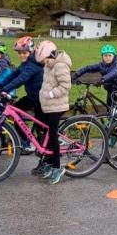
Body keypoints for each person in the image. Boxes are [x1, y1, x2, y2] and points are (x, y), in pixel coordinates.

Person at [0, 36, 45, 163]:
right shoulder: (25, 64)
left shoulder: (33, 65)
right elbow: (14, 75)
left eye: (24, 52)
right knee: (16, 112)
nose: (21, 55)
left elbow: (21, 80)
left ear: (30, 52)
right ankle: (26, 141)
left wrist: (5, 89)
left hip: (42, 99)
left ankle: (46, 150)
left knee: (42, 129)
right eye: (19, 53)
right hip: (32, 97)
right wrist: (0, 85)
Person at [36, 40, 72, 185]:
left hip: (57, 105)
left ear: (51, 55)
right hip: (48, 105)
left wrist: (51, 94)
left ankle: (57, 167)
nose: (44, 63)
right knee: (47, 134)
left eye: (45, 60)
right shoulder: (48, 65)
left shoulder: (60, 66)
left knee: (52, 135)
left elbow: (66, 85)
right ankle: (50, 163)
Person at [73, 44, 117, 113]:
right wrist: (77, 74)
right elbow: (88, 68)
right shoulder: (101, 65)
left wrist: (103, 79)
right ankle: (112, 122)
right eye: (105, 55)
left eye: (110, 55)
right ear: (102, 57)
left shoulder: (116, 64)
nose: (107, 57)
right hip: (110, 91)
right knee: (109, 110)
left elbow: (114, 73)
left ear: (114, 56)